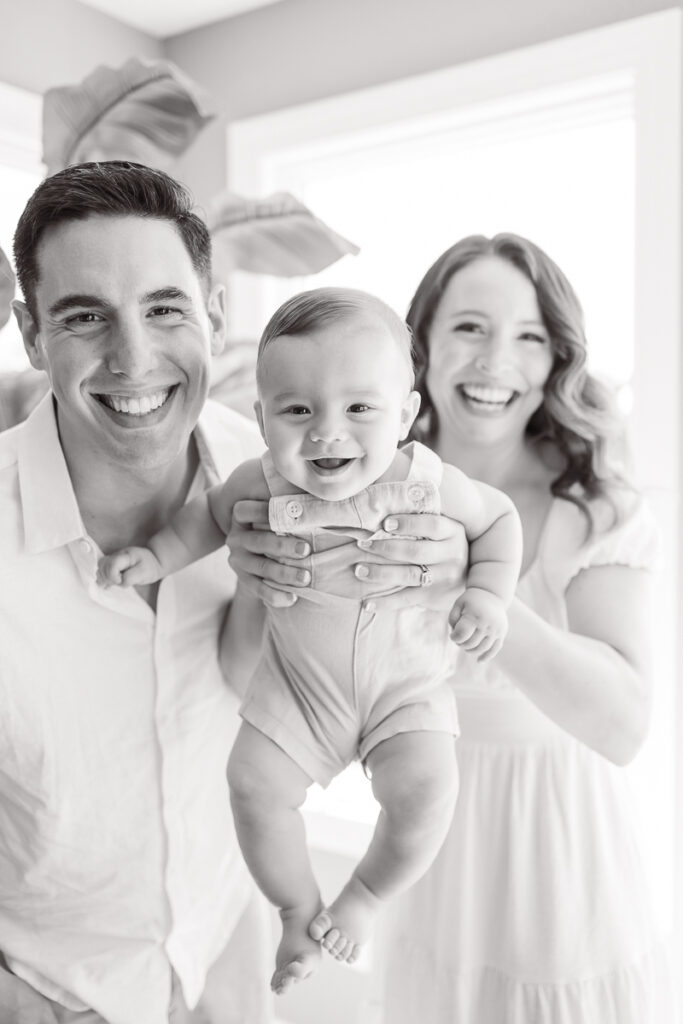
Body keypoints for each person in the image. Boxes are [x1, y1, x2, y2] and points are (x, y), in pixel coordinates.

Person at [0, 161, 466, 1024]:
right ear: (31, 334)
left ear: (214, 315)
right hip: (47, 994)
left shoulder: (305, 484)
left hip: (229, 967)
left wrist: (443, 579)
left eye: (165, 308)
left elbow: (289, 689)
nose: (133, 358)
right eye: (84, 316)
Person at [97, 286, 523, 995]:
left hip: (403, 689)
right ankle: (297, 908)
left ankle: (363, 898)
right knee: (252, 787)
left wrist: (487, 596)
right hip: (296, 690)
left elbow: (499, 521)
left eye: (359, 409)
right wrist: (155, 557)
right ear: (263, 419)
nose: (327, 432)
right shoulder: (255, 483)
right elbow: (203, 522)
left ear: (406, 415)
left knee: (426, 793)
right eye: (298, 410)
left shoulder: (427, 482)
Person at [356, 234, 676, 1023]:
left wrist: (474, 585)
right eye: (469, 326)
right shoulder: (371, 486)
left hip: (563, 869)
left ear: (554, 360)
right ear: (420, 341)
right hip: (430, 862)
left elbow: (624, 723)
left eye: (529, 337)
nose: (496, 360)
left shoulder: (594, 506)